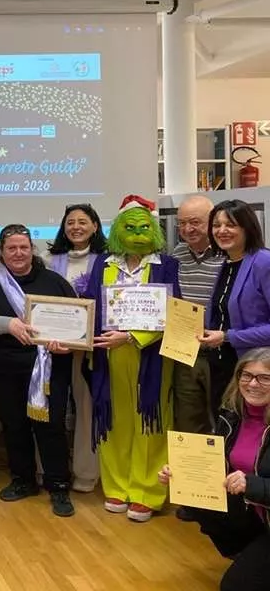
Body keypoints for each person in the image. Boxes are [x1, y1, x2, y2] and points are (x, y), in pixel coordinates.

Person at [83, 195, 181, 523]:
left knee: (150, 419)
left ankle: (146, 491)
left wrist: (132, 337)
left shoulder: (166, 265)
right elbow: (91, 304)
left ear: (153, 229)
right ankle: (117, 486)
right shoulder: (104, 263)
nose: (136, 233)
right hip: (109, 353)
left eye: (142, 227)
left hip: (150, 353)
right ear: (117, 230)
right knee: (114, 418)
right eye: (129, 226)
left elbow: (174, 312)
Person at [0, 224, 77, 518]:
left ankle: (58, 485)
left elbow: (78, 320)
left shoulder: (54, 282)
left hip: (50, 370)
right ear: (2, 252)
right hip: (6, 369)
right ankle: (23, 480)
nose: (18, 253)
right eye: (11, 248)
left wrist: (67, 344)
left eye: (23, 247)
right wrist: (7, 324)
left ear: (32, 249)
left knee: (51, 427)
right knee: (14, 426)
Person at [158, 348, 270, 591]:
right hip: (256, 512)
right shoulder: (232, 414)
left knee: (234, 587)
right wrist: (180, 473)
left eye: (264, 378)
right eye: (246, 375)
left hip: (261, 503)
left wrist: (251, 484)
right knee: (195, 498)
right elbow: (214, 462)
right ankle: (249, 553)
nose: (253, 384)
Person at [44, 203, 107, 494]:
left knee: (87, 408)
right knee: (50, 407)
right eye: (70, 222)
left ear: (95, 226)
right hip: (53, 346)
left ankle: (86, 471)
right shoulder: (49, 259)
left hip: (90, 347)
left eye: (83, 221)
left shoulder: (107, 261)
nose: (76, 227)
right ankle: (48, 468)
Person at [199, 199, 270, 421]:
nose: (222, 231)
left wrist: (228, 336)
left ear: (247, 227)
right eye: (216, 225)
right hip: (221, 367)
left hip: (255, 372)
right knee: (225, 430)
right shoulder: (226, 263)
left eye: (230, 224)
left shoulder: (264, 262)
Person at [171, 197, 223, 434]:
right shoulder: (177, 254)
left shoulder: (228, 253)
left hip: (220, 351)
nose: (187, 229)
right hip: (185, 351)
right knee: (188, 420)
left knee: (223, 417)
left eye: (195, 222)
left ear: (212, 220)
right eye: (182, 223)